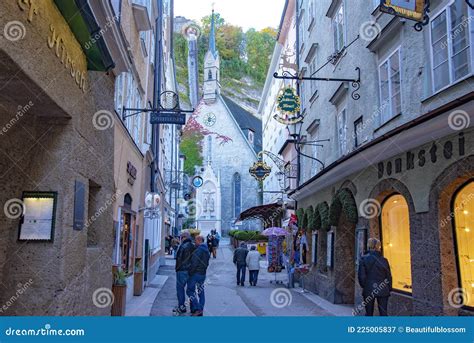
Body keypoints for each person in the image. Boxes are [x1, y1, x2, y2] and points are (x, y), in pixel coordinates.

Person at [358, 238, 392, 316]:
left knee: (369, 314)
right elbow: (388, 276)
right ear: (378, 247)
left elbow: (361, 277)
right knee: (383, 313)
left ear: (369, 246)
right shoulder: (384, 260)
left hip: (369, 288)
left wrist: (365, 286)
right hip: (383, 288)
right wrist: (388, 288)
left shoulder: (363, 259)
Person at [173, 232, 195, 315]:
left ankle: (182, 307)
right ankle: (193, 307)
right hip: (191, 271)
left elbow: (179, 258)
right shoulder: (193, 246)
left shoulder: (182, 246)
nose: (180, 239)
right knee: (191, 290)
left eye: (181, 237)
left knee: (180, 289)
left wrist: (177, 269)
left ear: (184, 237)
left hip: (182, 270)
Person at [187, 236, 210, 316]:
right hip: (202, 274)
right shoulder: (206, 250)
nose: (194, 242)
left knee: (189, 291)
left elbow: (194, 263)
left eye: (196, 240)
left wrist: (190, 272)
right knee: (201, 292)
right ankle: (200, 309)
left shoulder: (199, 250)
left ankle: (197, 308)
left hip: (195, 274)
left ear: (199, 240)